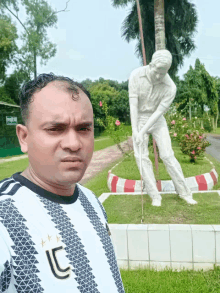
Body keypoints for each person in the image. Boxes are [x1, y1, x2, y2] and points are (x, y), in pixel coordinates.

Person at [0, 73, 125, 293]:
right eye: (55, 129)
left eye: (84, 129)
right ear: (24, 137)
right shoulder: (5, 216)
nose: (74, 143)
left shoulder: (90, 200)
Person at [129, 49, 197, 207]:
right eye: (157, 72)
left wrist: (143, 130)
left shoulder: (170, 87)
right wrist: (135, 131)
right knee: (141, 157)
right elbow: (133, 105)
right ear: (151, 65)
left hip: (157, 120)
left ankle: (185, 193)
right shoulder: (135, 75)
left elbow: (158, 113)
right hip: (139, 117)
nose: (160, 77)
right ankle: (155, 196)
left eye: (164, 73)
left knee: (167, 155)